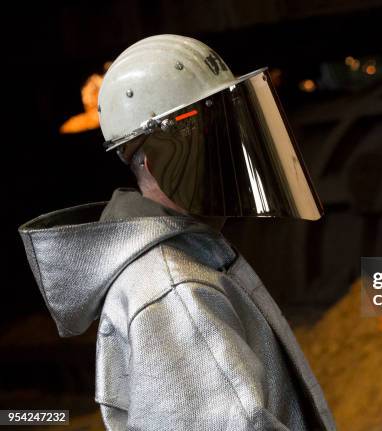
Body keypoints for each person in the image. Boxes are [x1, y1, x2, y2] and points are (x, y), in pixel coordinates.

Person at [19, 34, 335, 431]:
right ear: (154, 158)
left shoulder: (184, 261)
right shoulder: (173, 289)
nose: (233, 156)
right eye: (210, 137)